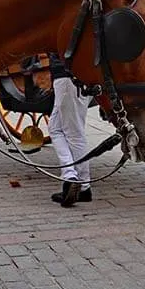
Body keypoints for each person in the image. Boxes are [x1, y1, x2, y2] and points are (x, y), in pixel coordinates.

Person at [47, 52, 92, 207]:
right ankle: (70, 176)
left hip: (68, 77)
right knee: (55, 129)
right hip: (70, 76)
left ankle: (83, 185)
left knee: (74, 133)